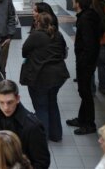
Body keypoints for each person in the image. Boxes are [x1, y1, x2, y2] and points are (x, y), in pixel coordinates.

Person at [20, 12, 69, 142]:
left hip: (40, 76)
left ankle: (42, 137)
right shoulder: (58, 34)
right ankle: (56, 135)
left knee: (41, 106)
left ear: (38, 23)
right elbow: (64, 52)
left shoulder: (36, 36)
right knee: (52, 103)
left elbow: (24, 52)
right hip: (59, 75)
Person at [0, 80, 50, 169]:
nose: (6, 108)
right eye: (1, 102)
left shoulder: (33, 127)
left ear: (17, 99)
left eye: (10, 102)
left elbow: (42, 162)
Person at [66, 0, 101, 135]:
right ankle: (82, 118)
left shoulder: (85, 20)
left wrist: (82, 61)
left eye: (74, 0)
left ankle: (90, 124)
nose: (72, 2)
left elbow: (89, 44)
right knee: (84, 90)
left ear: (78, 3)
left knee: (85, 92)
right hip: (87, 61)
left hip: (85, 62)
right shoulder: (88, 15)